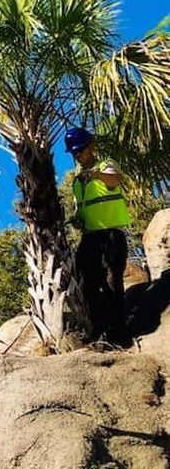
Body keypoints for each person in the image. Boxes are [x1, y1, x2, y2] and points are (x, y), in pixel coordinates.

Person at [65, 127, 132, 341]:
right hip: (90, 238)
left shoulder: (105, 165)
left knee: (114, 281)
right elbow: (82, 208)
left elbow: (116, 179)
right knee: (85, 281)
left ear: (91, 147)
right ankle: (97, 329)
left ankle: (120, 331)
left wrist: (98, 175)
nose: (78, 155)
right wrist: (77, 219)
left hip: (111, 235)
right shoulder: (77, 181)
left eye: (81, 150)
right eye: (74, 152)